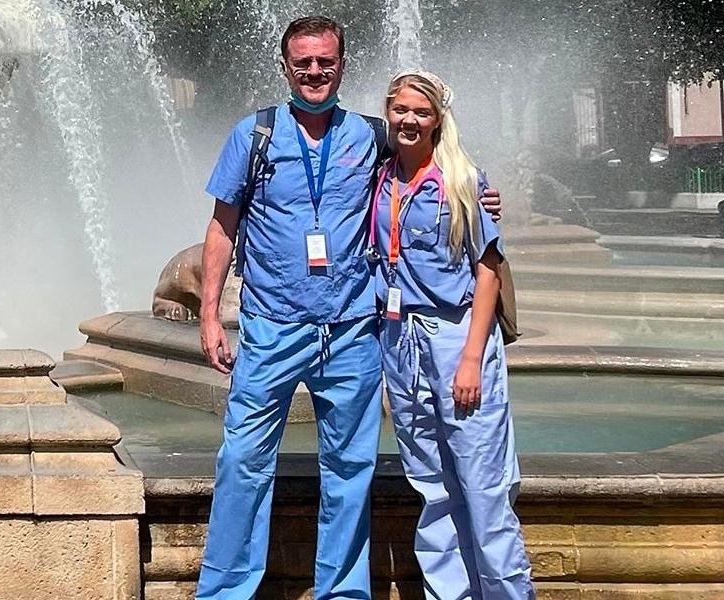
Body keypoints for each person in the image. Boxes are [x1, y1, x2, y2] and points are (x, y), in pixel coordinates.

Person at [192, 16, 503, 600]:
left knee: (350, 473)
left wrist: (478, 190)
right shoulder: (253, 135)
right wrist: (211, 314)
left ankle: (343, 592)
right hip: (271, 327)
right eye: (303, 62)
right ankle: (226, 591)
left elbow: (431, 153)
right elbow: (221, 226)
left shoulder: (369, 134)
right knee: (241, 462)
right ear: (286, 66)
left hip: (353, 331)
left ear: (342, 66)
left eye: (326, 61)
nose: (315, 71)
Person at [372, 70, 534, 600]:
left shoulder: (464, 180)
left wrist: (470, 359)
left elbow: (488, 268)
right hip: (401, 343)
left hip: (455, 338)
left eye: (421, 111)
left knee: (484, 490)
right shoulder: (380, 175)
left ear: (439, 118)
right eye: (400, 110)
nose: (409, 120)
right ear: (388, 113)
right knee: (432, 488)